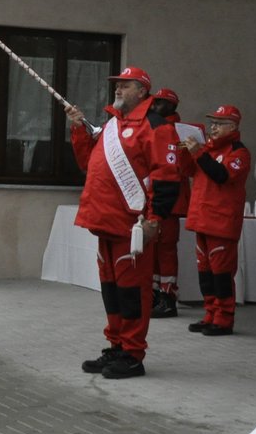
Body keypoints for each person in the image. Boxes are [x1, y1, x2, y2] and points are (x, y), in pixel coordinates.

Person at [65, 66, 180, 379]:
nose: (117, 89)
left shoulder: (156, 126)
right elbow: (90, 165)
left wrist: (156, 219)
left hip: (132, 226)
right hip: (104, 220)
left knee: (133, 292)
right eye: (116, 85)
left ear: (142, 91)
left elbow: (167, 177)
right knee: (111, 292)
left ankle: (132, 353)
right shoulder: (112, 125)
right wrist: (77, 130)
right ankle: (116, 346)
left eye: (125, 85)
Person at [180, 104, 251, 336]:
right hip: (202, 219)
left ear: (233, 126)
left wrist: (198, 152)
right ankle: (210, 313)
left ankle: (224, 318)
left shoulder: (239, 153)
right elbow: (186, 170)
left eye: (219, 123)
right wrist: (185, 151)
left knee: (221, 274)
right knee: (205, 274)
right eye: (213, 123)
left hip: (221, 223)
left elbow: (221, 175)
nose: (214, 127)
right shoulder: (207, 150)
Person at [145, 88, 189, 318]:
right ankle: (154, 294)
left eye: (160, 102)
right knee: (154, 249)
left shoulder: (176, 131)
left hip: (170, 200)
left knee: (166, 250)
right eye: (154, 101)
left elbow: (177, 167)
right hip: (155, 197)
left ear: (171, 106)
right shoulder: (155, 125)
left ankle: (168, 297)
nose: (154, 106)